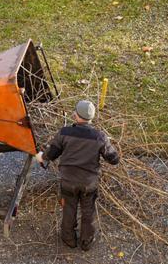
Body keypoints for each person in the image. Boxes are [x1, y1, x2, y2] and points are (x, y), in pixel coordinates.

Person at [35, 100, 119, 251]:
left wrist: (42, 156)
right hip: (88, 183)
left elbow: (52, 153)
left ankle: (69, 239)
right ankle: (86, 242)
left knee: (69, 209)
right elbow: (114, 159)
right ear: (91, 118)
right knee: (88, 212)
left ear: (75, 115)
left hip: (68, 181)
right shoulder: (99, 137)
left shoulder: (64, 133)